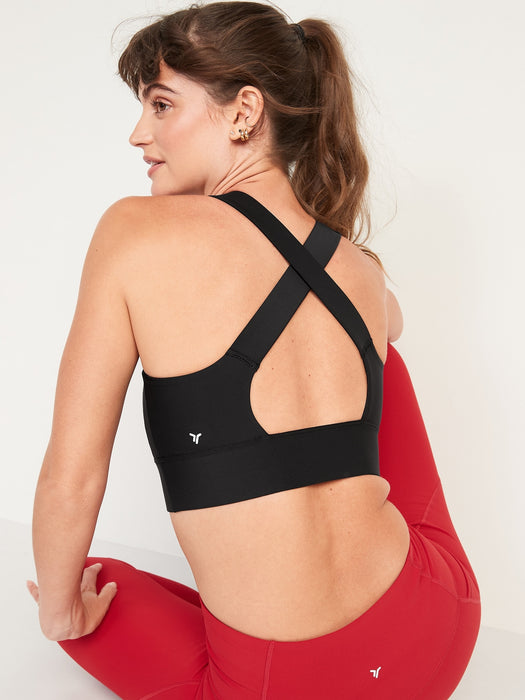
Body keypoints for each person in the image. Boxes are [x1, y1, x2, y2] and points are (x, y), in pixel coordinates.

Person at [27, 2, 480, 698]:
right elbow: (390, 324)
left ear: (244, 112)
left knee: (90, 585)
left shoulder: (134, 231)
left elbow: (73, 474)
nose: (138, 133)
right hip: (438, 626)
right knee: (378, 355)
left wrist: (58, 615)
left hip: (284, 684)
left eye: (160, 104)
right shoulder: (357, 269)